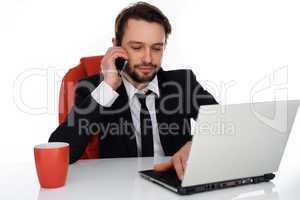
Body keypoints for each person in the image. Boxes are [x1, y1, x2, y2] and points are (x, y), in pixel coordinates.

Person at [49, 1, 217, 180]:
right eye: (137, 47)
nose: (148, 58)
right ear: (116, 46)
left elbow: (228, 125)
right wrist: (107, 87)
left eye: (156, 48)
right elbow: (60, 153)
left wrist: (196, 145)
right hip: (120, 189)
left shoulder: (183, 83)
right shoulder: (94, 89)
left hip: (175, 184)